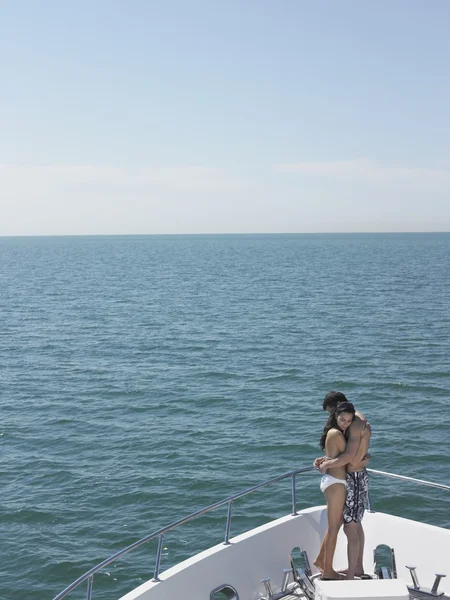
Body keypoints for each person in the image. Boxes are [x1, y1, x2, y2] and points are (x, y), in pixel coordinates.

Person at [315, 391, 372, 580]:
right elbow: (347, 454)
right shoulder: (351, 424)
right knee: (348, 525)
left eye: (331, 412)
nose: (331, 417)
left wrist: (326, 464)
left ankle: (350, 570)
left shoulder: (355, 423)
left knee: (349, 526)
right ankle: (348, 568)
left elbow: (349, 456)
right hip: (344, 478)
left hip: (351, 478)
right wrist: (327, 461)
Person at [314, 401, 356, 580]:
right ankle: (328, 571)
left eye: (349, 421)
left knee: (336, 525)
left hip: (334, 481)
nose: (345, 423)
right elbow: (348, 458)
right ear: (335, 416)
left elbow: (334, 456)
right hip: (335, 483)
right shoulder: (336, 433)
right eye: (342, 419)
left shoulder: (336, 432)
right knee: (333, 528)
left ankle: (321, 561)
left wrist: (323, 461)